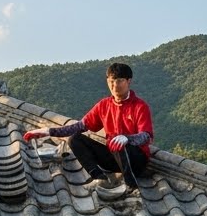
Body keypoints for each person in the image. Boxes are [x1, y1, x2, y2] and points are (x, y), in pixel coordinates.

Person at [23, 62, 153, 199]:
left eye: (119, 81)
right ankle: (99, 178)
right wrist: (49, 131)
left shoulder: (140, 106)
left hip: (136, 160)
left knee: (119, 142)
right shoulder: (104, 105)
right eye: (111, 81)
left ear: (128, 81)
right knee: (75, 139)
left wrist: (128, 138)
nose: (115, 85)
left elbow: (146, 136)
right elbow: (79, 126)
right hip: (113, 157)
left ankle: (131, 186)